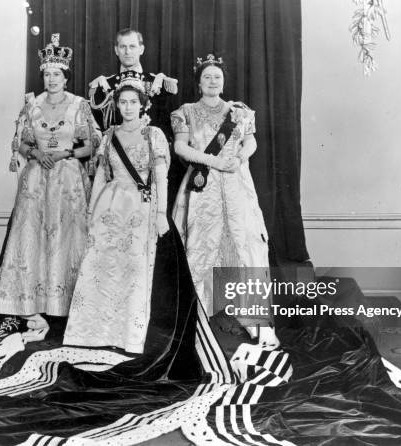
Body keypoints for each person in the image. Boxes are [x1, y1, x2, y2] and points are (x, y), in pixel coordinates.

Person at [171, 54, 279, 348]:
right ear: (199, 82)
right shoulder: (186, 112)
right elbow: (180, 147)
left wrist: (241, 157)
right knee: (201, 245)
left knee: (245, 244)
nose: (212, 81)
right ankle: (197, 317)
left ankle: (257, 320)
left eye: (217, 76)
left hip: (235, 183)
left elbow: (251, 141)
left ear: (224, 80)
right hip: (202, 183)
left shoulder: (239, 112)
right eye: (207, 77)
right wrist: (212, 161)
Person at [0, 33, 101, 341]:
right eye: (47, 73)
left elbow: (93, 144)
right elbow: (19, 142)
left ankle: (69, 306)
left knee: (69, 236)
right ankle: (34, 305)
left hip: (68, 178)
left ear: (66, 77)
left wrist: (66, 152)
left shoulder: (79, 106)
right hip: (37, 179)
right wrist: (35, 152)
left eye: (57, 73)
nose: (51, 78)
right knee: (33, 235)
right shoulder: (32, 105)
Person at [63, 71, 171, 354]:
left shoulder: (154, 135)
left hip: (140, 208)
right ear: (116, 104)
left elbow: (162, 177)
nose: (128, 107)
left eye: (133, 102)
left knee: (133, 270)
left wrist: (161, 214)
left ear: (143, 104)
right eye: (123, 102)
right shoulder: (109, 135)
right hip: (109, 207)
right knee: (101, 267)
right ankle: (92, 332)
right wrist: (91, 212)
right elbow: (101, 176)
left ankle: (128, 336)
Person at [88, 28, 184, 208]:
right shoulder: (103, 87)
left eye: (132, 46)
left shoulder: (160, 85)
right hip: (117, 172)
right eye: (122, 46)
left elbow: (168, 130)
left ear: (142, 49)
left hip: (153, 169)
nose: (127, 51)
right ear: (116, 50)